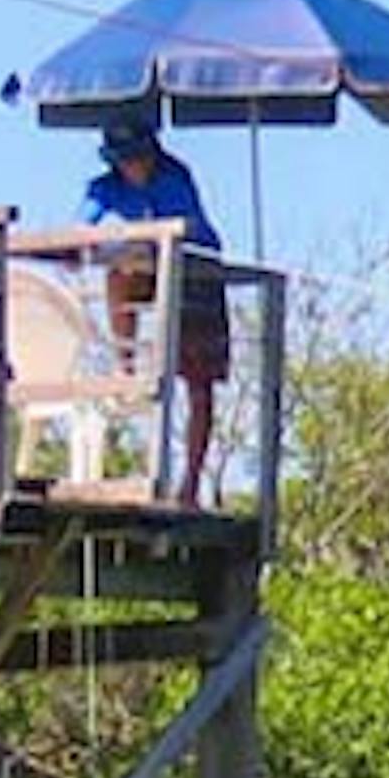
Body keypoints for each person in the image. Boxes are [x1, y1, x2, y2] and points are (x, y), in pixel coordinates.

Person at [83, 117, 227, 505]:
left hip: (196, 274)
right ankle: (124, 363)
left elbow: (183, 230)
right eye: (123, 159)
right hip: (144, 268)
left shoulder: (174, 176)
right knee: (119, 273)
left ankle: (190, 485)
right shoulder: (103, 188)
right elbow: (84, 225)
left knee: (199, 381)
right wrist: (103, 241)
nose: (133, 166)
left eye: (138, 157)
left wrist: (134, 241)